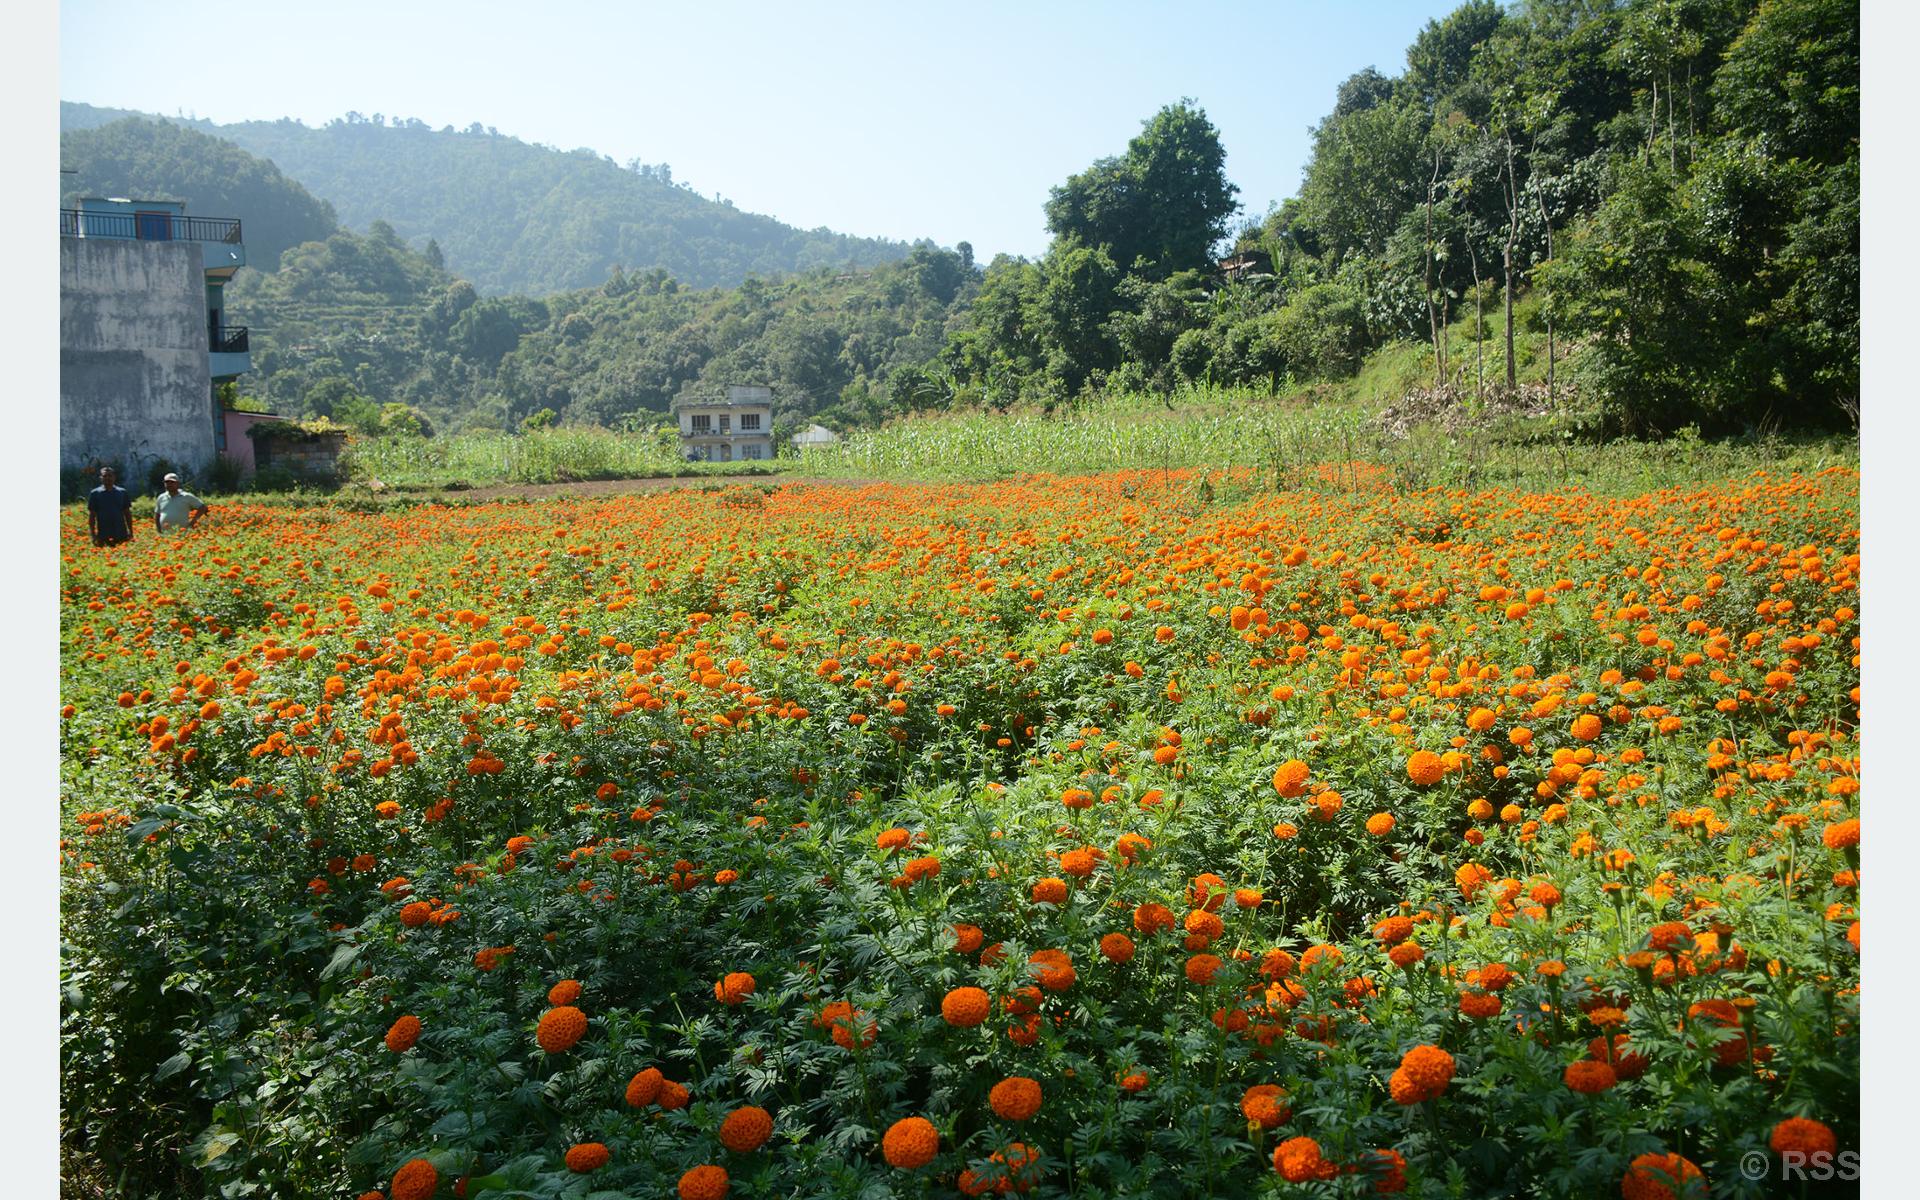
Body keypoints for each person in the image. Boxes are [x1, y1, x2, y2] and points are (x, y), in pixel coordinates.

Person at [87, 467, 135, 547]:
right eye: (105, 476)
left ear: (114, 477)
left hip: (121, 534)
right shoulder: (95, 494)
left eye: (110, 475)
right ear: (101, 478)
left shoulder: (122, 492)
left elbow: (127, 513)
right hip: (103, 535)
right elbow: (92, 516)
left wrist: (130, 531)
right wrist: (93, 534)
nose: (107, 478)